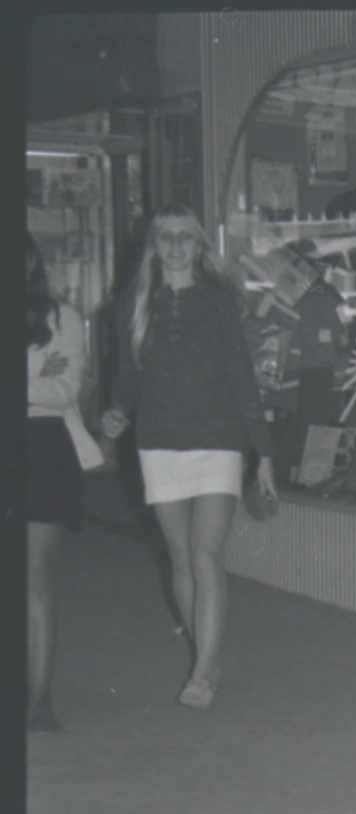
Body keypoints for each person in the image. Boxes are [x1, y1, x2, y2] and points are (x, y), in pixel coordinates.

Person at [101, 206, 278, 712]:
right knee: (179, 556)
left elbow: (242, 378)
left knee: (206, 554)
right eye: (166, 237)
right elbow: (130, 377)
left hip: (218, 439)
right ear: (155, 246)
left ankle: (202, 673)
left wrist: (263, 453)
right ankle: (207, 654)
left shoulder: (219, 302)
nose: (176, 245)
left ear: (200, 247)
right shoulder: (135, 305)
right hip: (158, 441)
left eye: (186, 237)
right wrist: (116, 410)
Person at [26, 237, 98, 733]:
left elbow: (65, 390)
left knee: (34, 574)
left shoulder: (64, 319)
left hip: (42, 447)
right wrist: (34, 376)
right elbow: (44, 386)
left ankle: (38, 699)